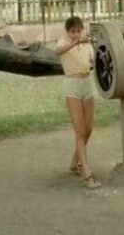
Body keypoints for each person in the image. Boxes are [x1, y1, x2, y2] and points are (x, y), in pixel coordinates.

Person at [54, 16, 100, 189]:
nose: (76, 34)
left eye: (78, 30)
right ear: (68, 32)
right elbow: (57, 51)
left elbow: (92, 62)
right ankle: (86, 171)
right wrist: (74, 43)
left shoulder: (88, 45)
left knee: (88, 129)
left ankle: (75, 162)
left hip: (87, 84)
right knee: (79, 130)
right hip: (72, 86)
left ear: (82, 29)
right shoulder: (64, 42)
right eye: (72, 31)